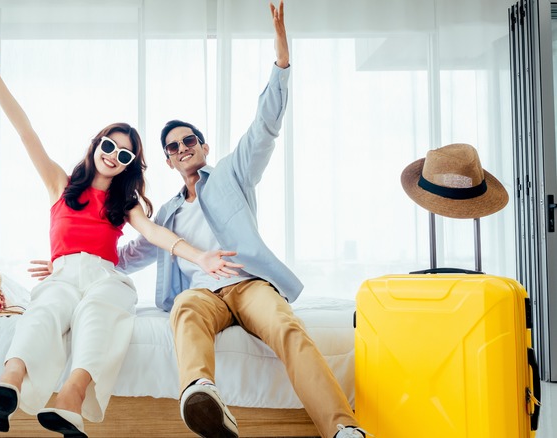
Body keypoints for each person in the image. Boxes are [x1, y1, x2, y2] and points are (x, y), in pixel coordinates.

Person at [33, 2, 368, 438]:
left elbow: (266, 124)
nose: (182, 148)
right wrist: (67, 263)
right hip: (201, 294)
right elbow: (127, 254)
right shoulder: (166, 214)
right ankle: (202, 395)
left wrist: (281, 58)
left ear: (203, 147)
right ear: (168, 161)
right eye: (172, 147)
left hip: (249, 285)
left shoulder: (232, 174)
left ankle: (343, 429)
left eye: (188, 140)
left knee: (288, 328)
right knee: (185, 313)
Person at [0, 26, 243, 437]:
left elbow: (156, 233)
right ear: (95, 146)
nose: (113, 156)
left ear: (129, 165)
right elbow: (26, 133)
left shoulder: (122, 205)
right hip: (64, 273)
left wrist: (199, 256)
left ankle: (69, 400)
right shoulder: (60, 185)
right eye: (108, 146)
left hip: (105, 276)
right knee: (44, 312)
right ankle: (9, 383)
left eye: (124, 154)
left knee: (100, 316)